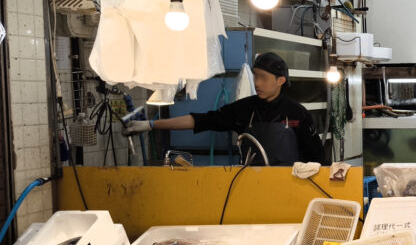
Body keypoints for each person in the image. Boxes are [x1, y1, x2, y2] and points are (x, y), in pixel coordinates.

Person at [124, 52, 326, 165]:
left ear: (280, 80)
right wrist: (151, 124)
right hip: (250, 185)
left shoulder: (298, 114)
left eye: (263, 77)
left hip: (290, 186)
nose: (257, 82)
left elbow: (318, 160)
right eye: (255, 75)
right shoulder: (245, 109)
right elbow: (200, 120)